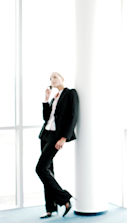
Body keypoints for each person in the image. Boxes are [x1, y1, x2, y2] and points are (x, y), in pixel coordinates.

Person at [36, 72, 79, 219]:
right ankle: (50, 208)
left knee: (40, 169)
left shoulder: (70, 93)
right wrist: (46, 100)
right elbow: (46, 118)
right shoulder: (55, 96)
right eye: (50, 78)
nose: (52, 80)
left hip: (56, 137)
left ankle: (65, 198)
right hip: (45, 135)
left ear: (62, 78)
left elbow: (73, 116)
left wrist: (64, 138)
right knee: (48, 171)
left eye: (55, 77)